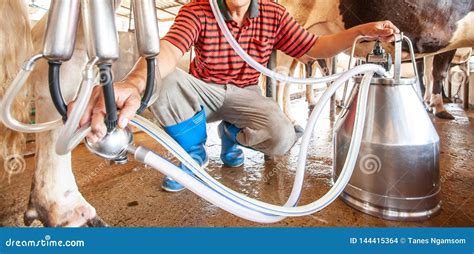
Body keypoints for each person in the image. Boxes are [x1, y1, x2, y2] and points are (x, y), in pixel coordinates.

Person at [74, 0, 399, 192]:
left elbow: (313, 47)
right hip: (203, 93)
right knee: (166, 80)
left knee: (283, 137)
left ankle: (232, 133)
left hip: (246, 94)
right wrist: (133, 82)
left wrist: (360, 31)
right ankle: (192, 156)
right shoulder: (198, 10)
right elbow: (170, 50)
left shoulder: (273, 13)